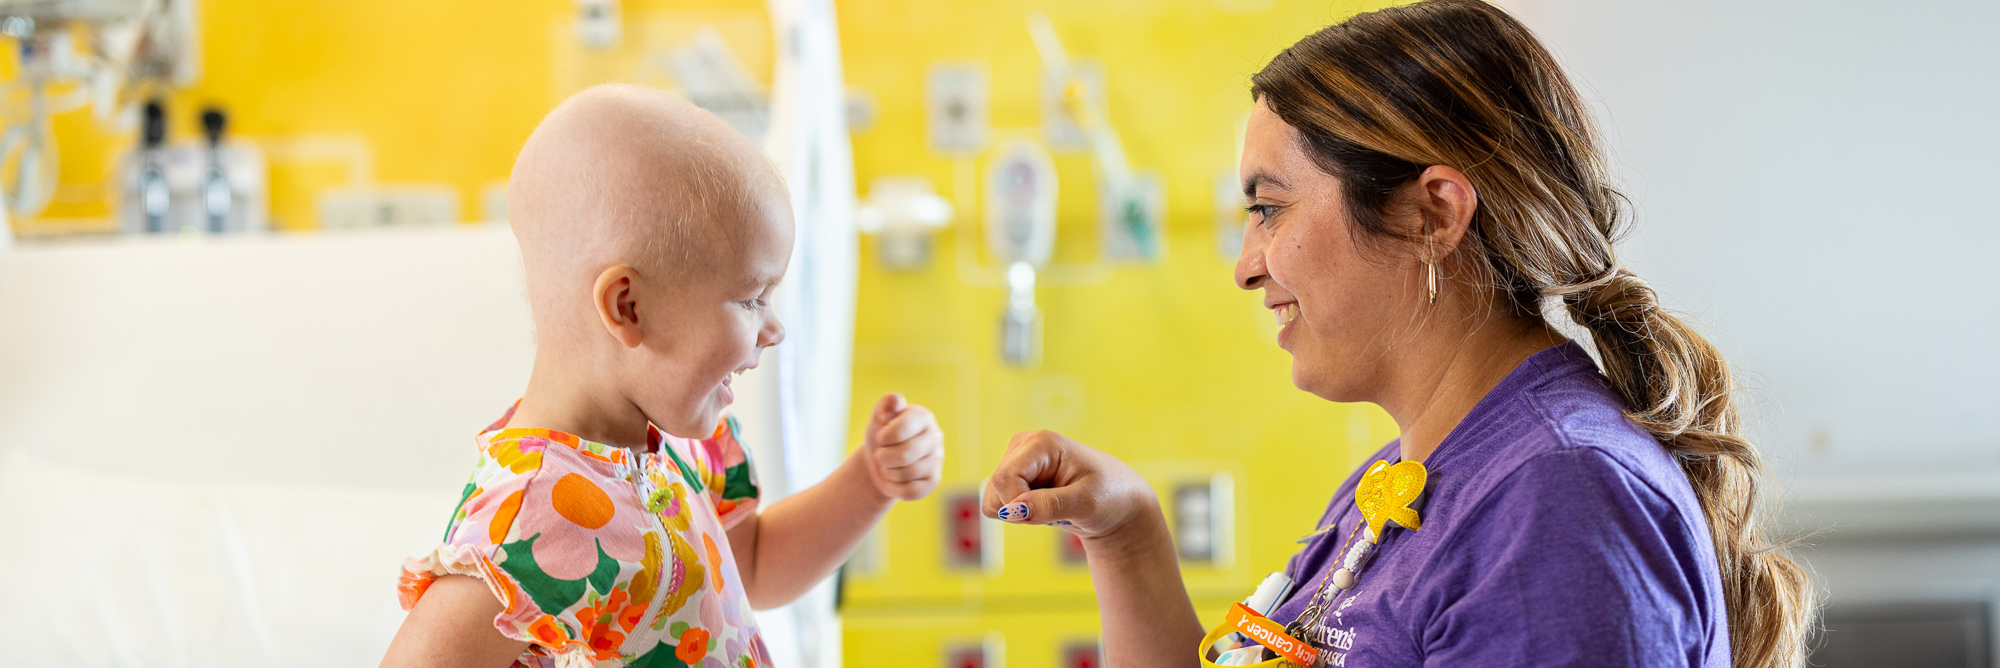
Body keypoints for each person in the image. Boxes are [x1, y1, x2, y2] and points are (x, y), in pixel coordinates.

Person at [982, 2, 1813, 666]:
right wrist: (1126, 537)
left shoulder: (1557, 505)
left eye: (1269, 208)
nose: (1245, 265)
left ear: (1432, 213)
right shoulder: (1404, 480)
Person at [381, 84, 945, 668]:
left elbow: (752, 567)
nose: (774, 329)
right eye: (753, 298)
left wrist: (870, 481)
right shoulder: (528, 519)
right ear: (629, 307)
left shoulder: (676, 445)